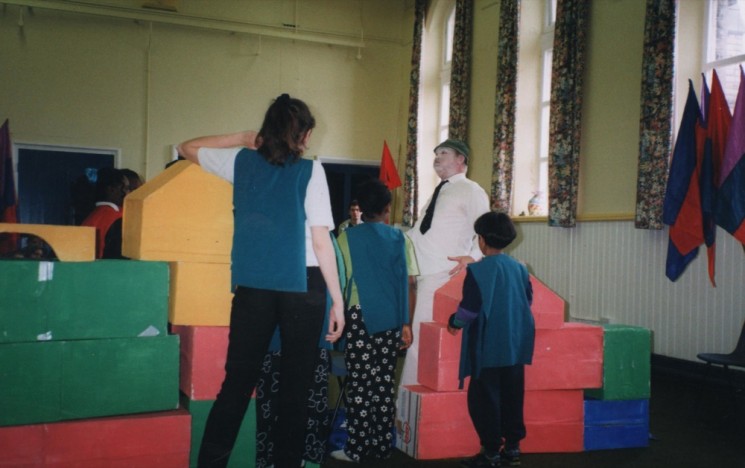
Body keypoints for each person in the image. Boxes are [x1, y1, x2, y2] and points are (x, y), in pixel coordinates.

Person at [177, 94, 344, 468]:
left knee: (236, 383)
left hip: (253, 286)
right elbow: (320, 241)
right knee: (295, 389)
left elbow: (185, 147)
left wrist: (241, 137)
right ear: (306, 134)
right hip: (303, 284)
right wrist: (338, 300)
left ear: (266, 130)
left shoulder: (240, 161)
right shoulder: (311, 170)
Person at [333, 179, 418, 462]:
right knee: (383, 382)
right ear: (387, 209)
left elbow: (339, 279)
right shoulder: (400, 238)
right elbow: (408, 282)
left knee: (359, 382)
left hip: (359, 316)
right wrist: (406, 323)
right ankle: (382, 447)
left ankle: (356, 448)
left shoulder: (346, 237)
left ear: (359, 209)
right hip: (391, 318)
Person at [447, 211, 535, 468]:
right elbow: (527, 300)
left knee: (484, 399)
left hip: (487, 347)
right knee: (512, 395)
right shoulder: (520, 267)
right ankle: (513, 448)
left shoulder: (477, 271)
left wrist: (454, 322)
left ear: (482, 240)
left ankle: (491, 452)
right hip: (515, 344)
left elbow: (469, 310)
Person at [399, 139, 489, 387]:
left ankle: (410, 405)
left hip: (440, 273)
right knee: (415, 336)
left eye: (444, 153)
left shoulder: (471, 190)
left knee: (419, 338)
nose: (437, 157)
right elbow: (422, 231)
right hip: (419, 273)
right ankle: (409, 405)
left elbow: (485, 228)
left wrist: (474, 256)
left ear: (461, 159)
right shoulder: (441, 191)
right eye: (436, 153)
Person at [81, 167, 130, 259]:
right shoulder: (120, 217)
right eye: (126, 188)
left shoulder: (90, 217)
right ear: (111, 189)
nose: (128, 193)